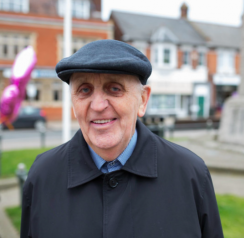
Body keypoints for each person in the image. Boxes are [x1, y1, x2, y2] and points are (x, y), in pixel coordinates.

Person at [20, 40, 223, 238]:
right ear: (73, 102)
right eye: (84, 90)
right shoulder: (43, 176)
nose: (98, 105)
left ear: (142, 100)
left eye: (114, 88)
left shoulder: (190, 175)